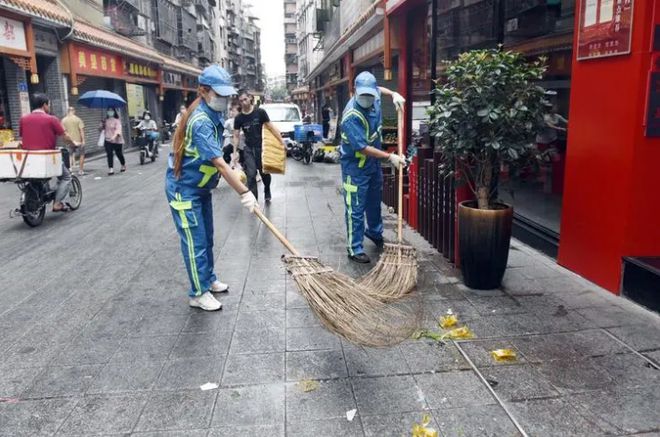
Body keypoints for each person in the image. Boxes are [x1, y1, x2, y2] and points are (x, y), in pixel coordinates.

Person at [166, 64, 257, 311]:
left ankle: (208, 279)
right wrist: (245, 192)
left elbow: (219, 154)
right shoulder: (201, 121)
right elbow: (218, 162)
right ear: (204, 91)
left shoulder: (213, 114)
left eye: (227, 95)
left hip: (201, 188)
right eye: (220, 94)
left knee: (206, 238)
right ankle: (198, 293)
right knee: (195, 241)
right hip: (185, 189)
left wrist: (233, 167)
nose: (225, 100)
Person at [340, 71, 407, 263]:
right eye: (364, 95)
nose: (368, 99)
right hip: (355, 168)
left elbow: (379, 89)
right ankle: (354, 248)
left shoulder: (373, 95)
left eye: (371, 95)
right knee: (355, 209)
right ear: (354, 92)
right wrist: (390, 157)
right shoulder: (351, 116)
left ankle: (375, 232)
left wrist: (393, 94)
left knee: (374, 201)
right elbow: (362, 147)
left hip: (373, 165)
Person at [19, 93, 76, 212]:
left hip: (28, 159)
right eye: (48, 104)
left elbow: (21, 138)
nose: (49, 107)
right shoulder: (51, 119)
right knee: (66, 176)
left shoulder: (23, 119)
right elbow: (65, 136)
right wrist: (74, 143)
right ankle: (57, 203)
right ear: (44, 105)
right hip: (47, 158)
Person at [233, 90, 286, 202]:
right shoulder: (239, 118)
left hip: (261, 148)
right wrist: (235, 152)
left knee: (264, 173)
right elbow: (236, 136)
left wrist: (281, 141)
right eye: (241, 101)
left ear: (250, 98)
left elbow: (270, 127)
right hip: (248, 149)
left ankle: (267, 188)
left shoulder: (260, 112)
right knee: (251, 175)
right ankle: (254, 200)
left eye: (245, 99)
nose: (244, 102)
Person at [61, 106, 86, 175]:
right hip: (78, 141)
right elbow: (81, 131)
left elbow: (63, 131)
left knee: (69, 155)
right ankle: (81, 170)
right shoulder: (78, 119)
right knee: (82, 154)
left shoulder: (63, 120)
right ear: (74, 111)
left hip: (69, 141)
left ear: (67, 111)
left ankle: (70, 169)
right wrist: (83, 140)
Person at [101, 107, 126, 175]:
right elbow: (101, 129)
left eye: (111, 110)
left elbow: (118, 130)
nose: (110, 112)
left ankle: (123, 164)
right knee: (109, 154)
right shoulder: (105, 120)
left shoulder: (117, 121)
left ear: (114, 112)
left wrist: (114, 137)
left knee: (119, 154)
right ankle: (111, 169)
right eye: (108, 110)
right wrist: (102, 124)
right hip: (108, 140)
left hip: (117, 140)